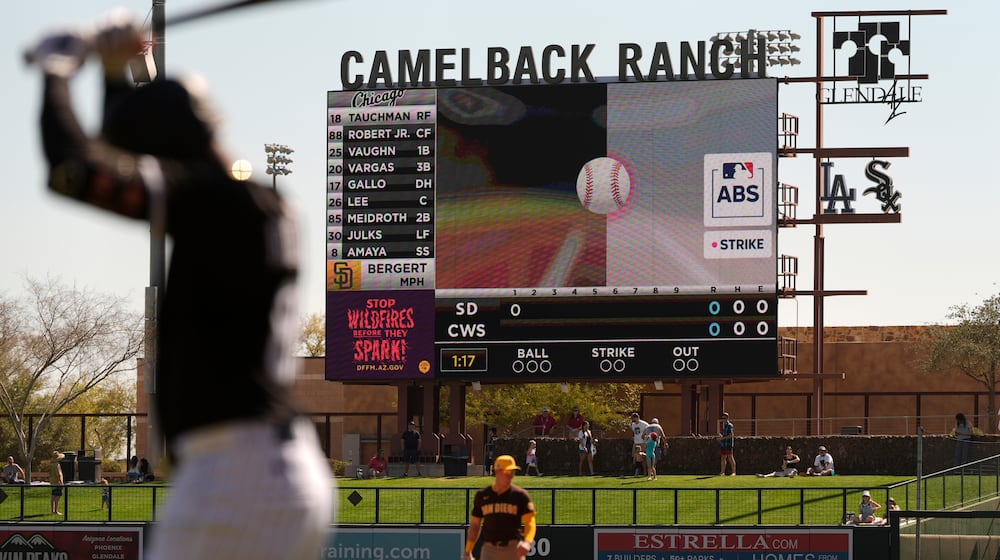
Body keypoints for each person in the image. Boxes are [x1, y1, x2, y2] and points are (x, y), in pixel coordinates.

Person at [33, 13, 333, 558]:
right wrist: (110, 68)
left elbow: (73, 168)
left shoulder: (215, 203)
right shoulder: (256, 200)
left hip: (238, 472)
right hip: (269, 465)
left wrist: (58, 70)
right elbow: (121, 148)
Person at [463, 455, 536, 560]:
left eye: (513, 472)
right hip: (489, 550)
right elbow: (475, 525)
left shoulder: (520, 495)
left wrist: (527, 542)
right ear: (497, 471)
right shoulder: (483, 495)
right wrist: (467, 551)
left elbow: (530, 522)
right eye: (507, 472)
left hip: (513, 549)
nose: (511, 476)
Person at [718, 412, 736, 476]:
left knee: (730, 458)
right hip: (724, 444)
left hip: (728, 444)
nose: (723, 419)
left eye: (725, 418)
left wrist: (722, 438)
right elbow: (725, 435)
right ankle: (722, 472)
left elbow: (731, 435)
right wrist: (721, 437)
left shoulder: (730, 425)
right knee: (723, 458)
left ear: (727, 418)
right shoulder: (724, 426)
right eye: (722, 418)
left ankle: (734, 472)